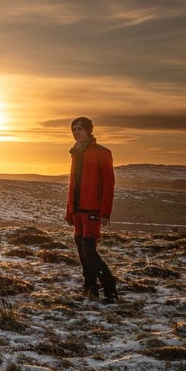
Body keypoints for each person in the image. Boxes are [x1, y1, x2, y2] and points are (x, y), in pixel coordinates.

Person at [65, 116, 118, 304]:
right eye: (74, 130)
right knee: (82, 251)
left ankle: (110, 287)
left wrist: (105, 213)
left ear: (88, 131)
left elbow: (108, 184)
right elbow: (73, 184)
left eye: (79, 129)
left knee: (89, 252)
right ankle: (90, 288)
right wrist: (70, 211)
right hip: (78, 212)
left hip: (93, 211)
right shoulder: (75, 153)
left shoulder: (101, 152)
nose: (76, 133)